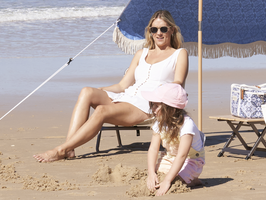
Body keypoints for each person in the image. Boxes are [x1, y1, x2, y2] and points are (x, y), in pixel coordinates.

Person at [34, 9, 188, 162]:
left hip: (146, 104)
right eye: (154, 29)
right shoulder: (142, 53)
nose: (158, 33)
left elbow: (177, 84)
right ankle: (69, 148)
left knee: (101, 110)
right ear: (150, 31)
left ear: (172, 30)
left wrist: (162, 101)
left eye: (163, 29)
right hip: (127, 96)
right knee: (87, 91)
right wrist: (99, 91)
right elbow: (122, 85)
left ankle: (61, 149)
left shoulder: (179, 54)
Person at [142, 83, 205, 196]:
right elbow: (153, 149)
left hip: (191, 160)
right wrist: (151, 173)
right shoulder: (159, 122)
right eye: (152, 105)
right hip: (169, 157)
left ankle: (193, 180)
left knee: (174, 182)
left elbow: (182, 155)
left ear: (169, 109)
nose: (153, 109)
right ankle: (172, 176)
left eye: (156, 106)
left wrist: (167, 181)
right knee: (157, 176)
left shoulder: (187, 125)